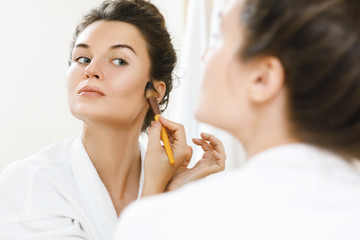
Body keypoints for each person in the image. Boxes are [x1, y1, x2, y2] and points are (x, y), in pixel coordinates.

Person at [114, 0, 360, 239]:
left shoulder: (166, 223)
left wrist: (153, 204)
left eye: (219, 39)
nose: (204, 55)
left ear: (261, 79)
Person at [0, 1, 226, 239]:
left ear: (154, 91)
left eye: (118, 60)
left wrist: (170, 192)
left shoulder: (183, 196)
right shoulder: (30, 184)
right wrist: (154, 193)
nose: (91, 70)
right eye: (83, 58)